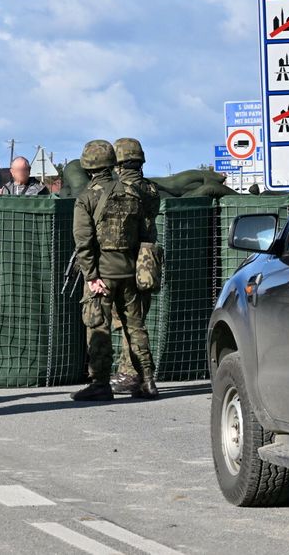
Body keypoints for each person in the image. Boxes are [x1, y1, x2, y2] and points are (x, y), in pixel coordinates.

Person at [68, 139, 158, 402]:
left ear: (87, 166)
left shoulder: (86, 197)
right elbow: (144, 233)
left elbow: (83, 241)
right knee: (135, 326)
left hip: (102, 274)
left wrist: (92, 276)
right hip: (130, 272)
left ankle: (100, 383)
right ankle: (148, 381)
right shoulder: (133, 193)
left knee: (98, 327)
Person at [108, 138, 160, 397]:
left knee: (130, 321)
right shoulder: (150, 189)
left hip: (125, 259)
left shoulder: (120, 188)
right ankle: (134, 373)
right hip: (148, 260)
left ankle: (131, 373)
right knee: (138, 318)